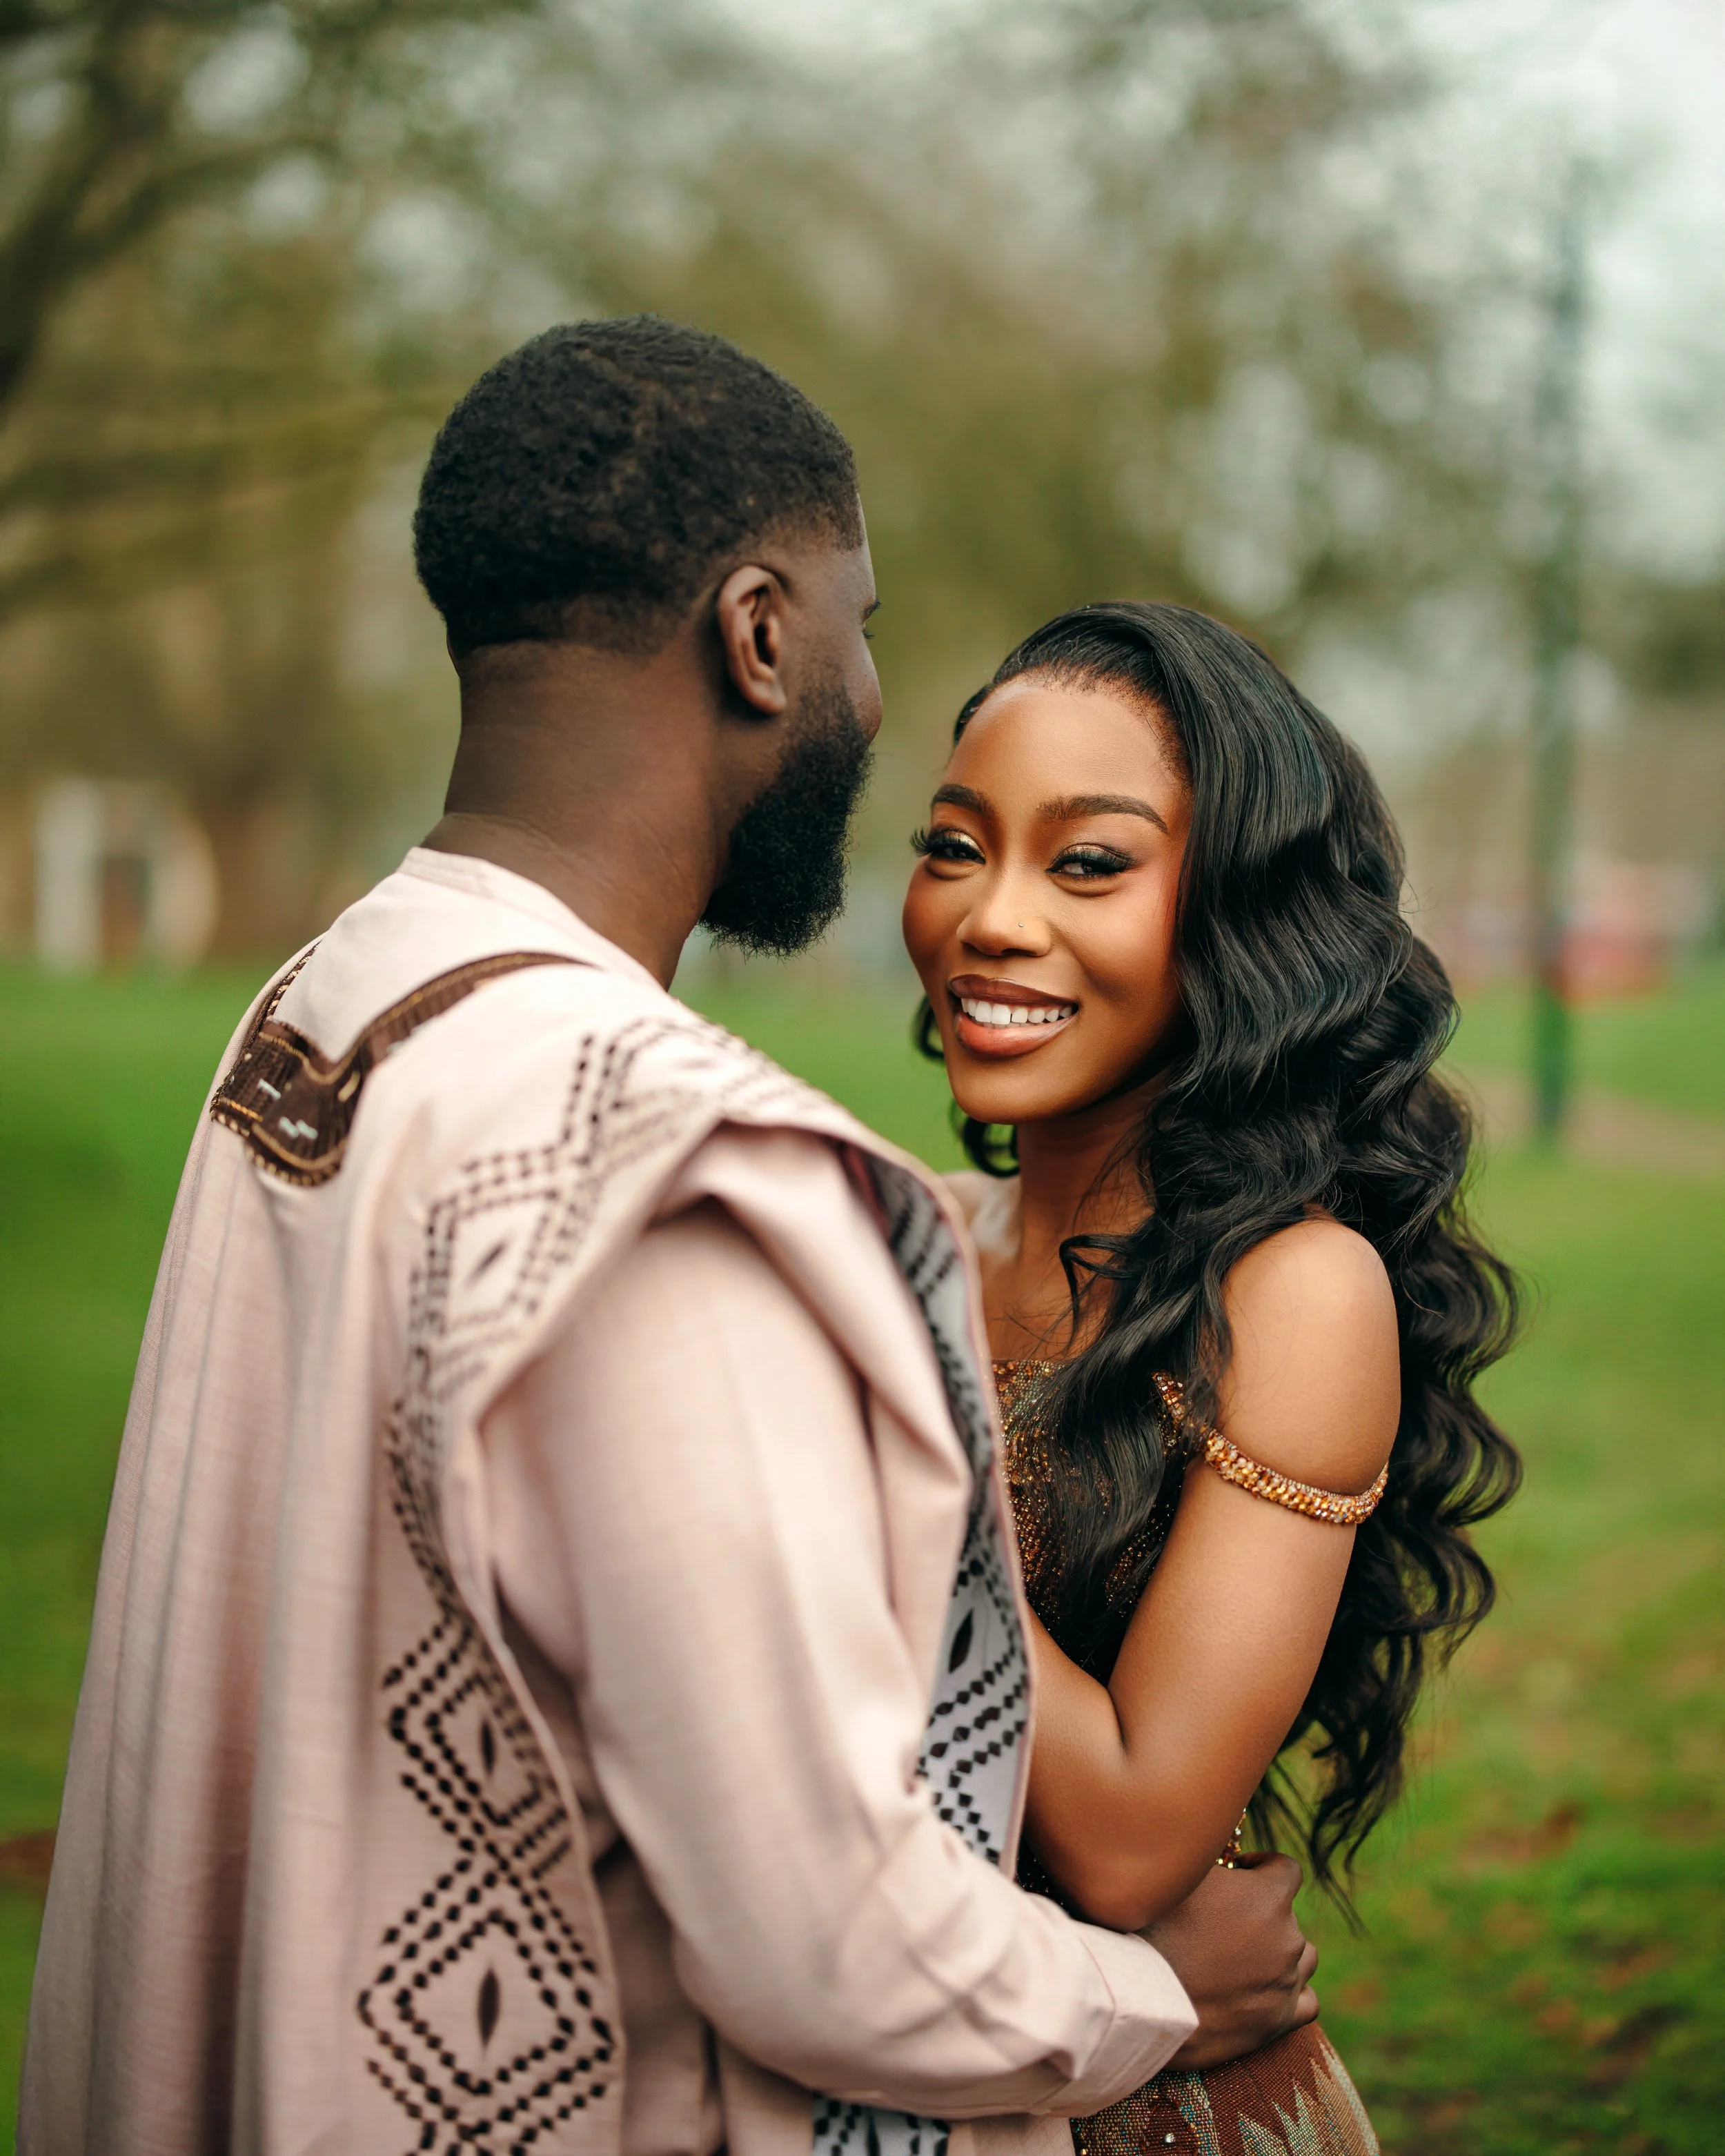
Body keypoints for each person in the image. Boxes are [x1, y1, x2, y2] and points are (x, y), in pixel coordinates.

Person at [22, 327, 1320, 2156]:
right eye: (860, 627)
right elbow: (830, 1936)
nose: (872, 693)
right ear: (758, 635)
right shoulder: (669, 1173)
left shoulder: (335, 1004)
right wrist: (1148, 1995)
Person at [903, 602, 1524, 2156]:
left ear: (1240, 917)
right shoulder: (906, 1236)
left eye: (1087, 862)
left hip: (1174, 2110)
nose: (990, 916)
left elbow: (1129, 1836)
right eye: (955, 846)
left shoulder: (1290, 1293)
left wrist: (850, 1475)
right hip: (911, 2065)